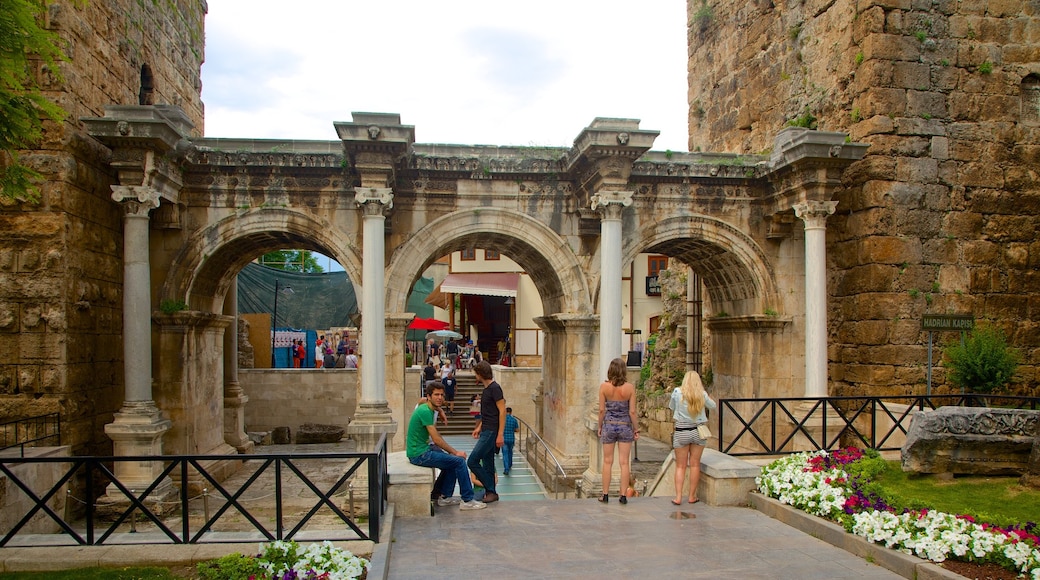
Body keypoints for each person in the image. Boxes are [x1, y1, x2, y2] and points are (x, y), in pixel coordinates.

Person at [406, 381, 486, 511]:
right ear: (429, 396)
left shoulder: (428, 408)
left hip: (421, 450)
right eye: (436, 395)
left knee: (452, 463)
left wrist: (440, 409)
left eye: (442, 395)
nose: (440, 398)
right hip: (419, 454)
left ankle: (445, 497)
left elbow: (426, 403)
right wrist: (455, 452)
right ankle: (467, 500)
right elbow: (437, 439)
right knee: (459, 462)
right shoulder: (425, 411)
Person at [669, 370, 717, 506]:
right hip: (697, 431)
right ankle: (691, 496)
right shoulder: (701, 394)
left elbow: (671, 407)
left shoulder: (677, 392)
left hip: (682, 431)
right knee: (695, 464)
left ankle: (678, 497)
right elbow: (712, 406)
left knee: (680, 466)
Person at [597, 357, 638, 504]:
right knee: (624, 463)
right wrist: (636, 428)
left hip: (609, 424)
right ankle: (623, 495)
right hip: (625, 425)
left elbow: (602, 410)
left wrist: (600, 426)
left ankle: (605, 494)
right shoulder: (630, 388)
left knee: (607, 461)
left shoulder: (604, 387)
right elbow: (632, 411)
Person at [468, 361, 505, 503]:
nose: (475, 376)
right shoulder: (487, 390)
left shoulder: (495, 388)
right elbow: (489, 413)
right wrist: (479, 427)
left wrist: (500, 434)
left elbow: (502, 411)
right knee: (488, 463)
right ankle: (491, 493)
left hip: (491, 431)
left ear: (480, 374)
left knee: (472, 461)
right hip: (486, 429)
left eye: (476, 373)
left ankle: (489, 487)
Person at [502, 407, 519, 475]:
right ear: (511, 412)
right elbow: (517, 430)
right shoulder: (514, 420)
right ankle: (510, 464)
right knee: (510, 452)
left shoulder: (502, 420)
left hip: (504, 439)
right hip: (511, 438)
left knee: (505, 454)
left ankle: (506, 469)